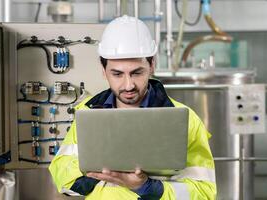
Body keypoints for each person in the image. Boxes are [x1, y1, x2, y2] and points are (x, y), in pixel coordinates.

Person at [48, 15, 216, 199]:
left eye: (136, 73)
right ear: (103, 70)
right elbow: (63, 178)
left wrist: (146, 187)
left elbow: (204, 193)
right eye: (117, 74)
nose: (128, 85)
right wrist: (103, 174)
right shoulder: (87, 113)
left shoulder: (186, 120)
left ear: (152, 65)